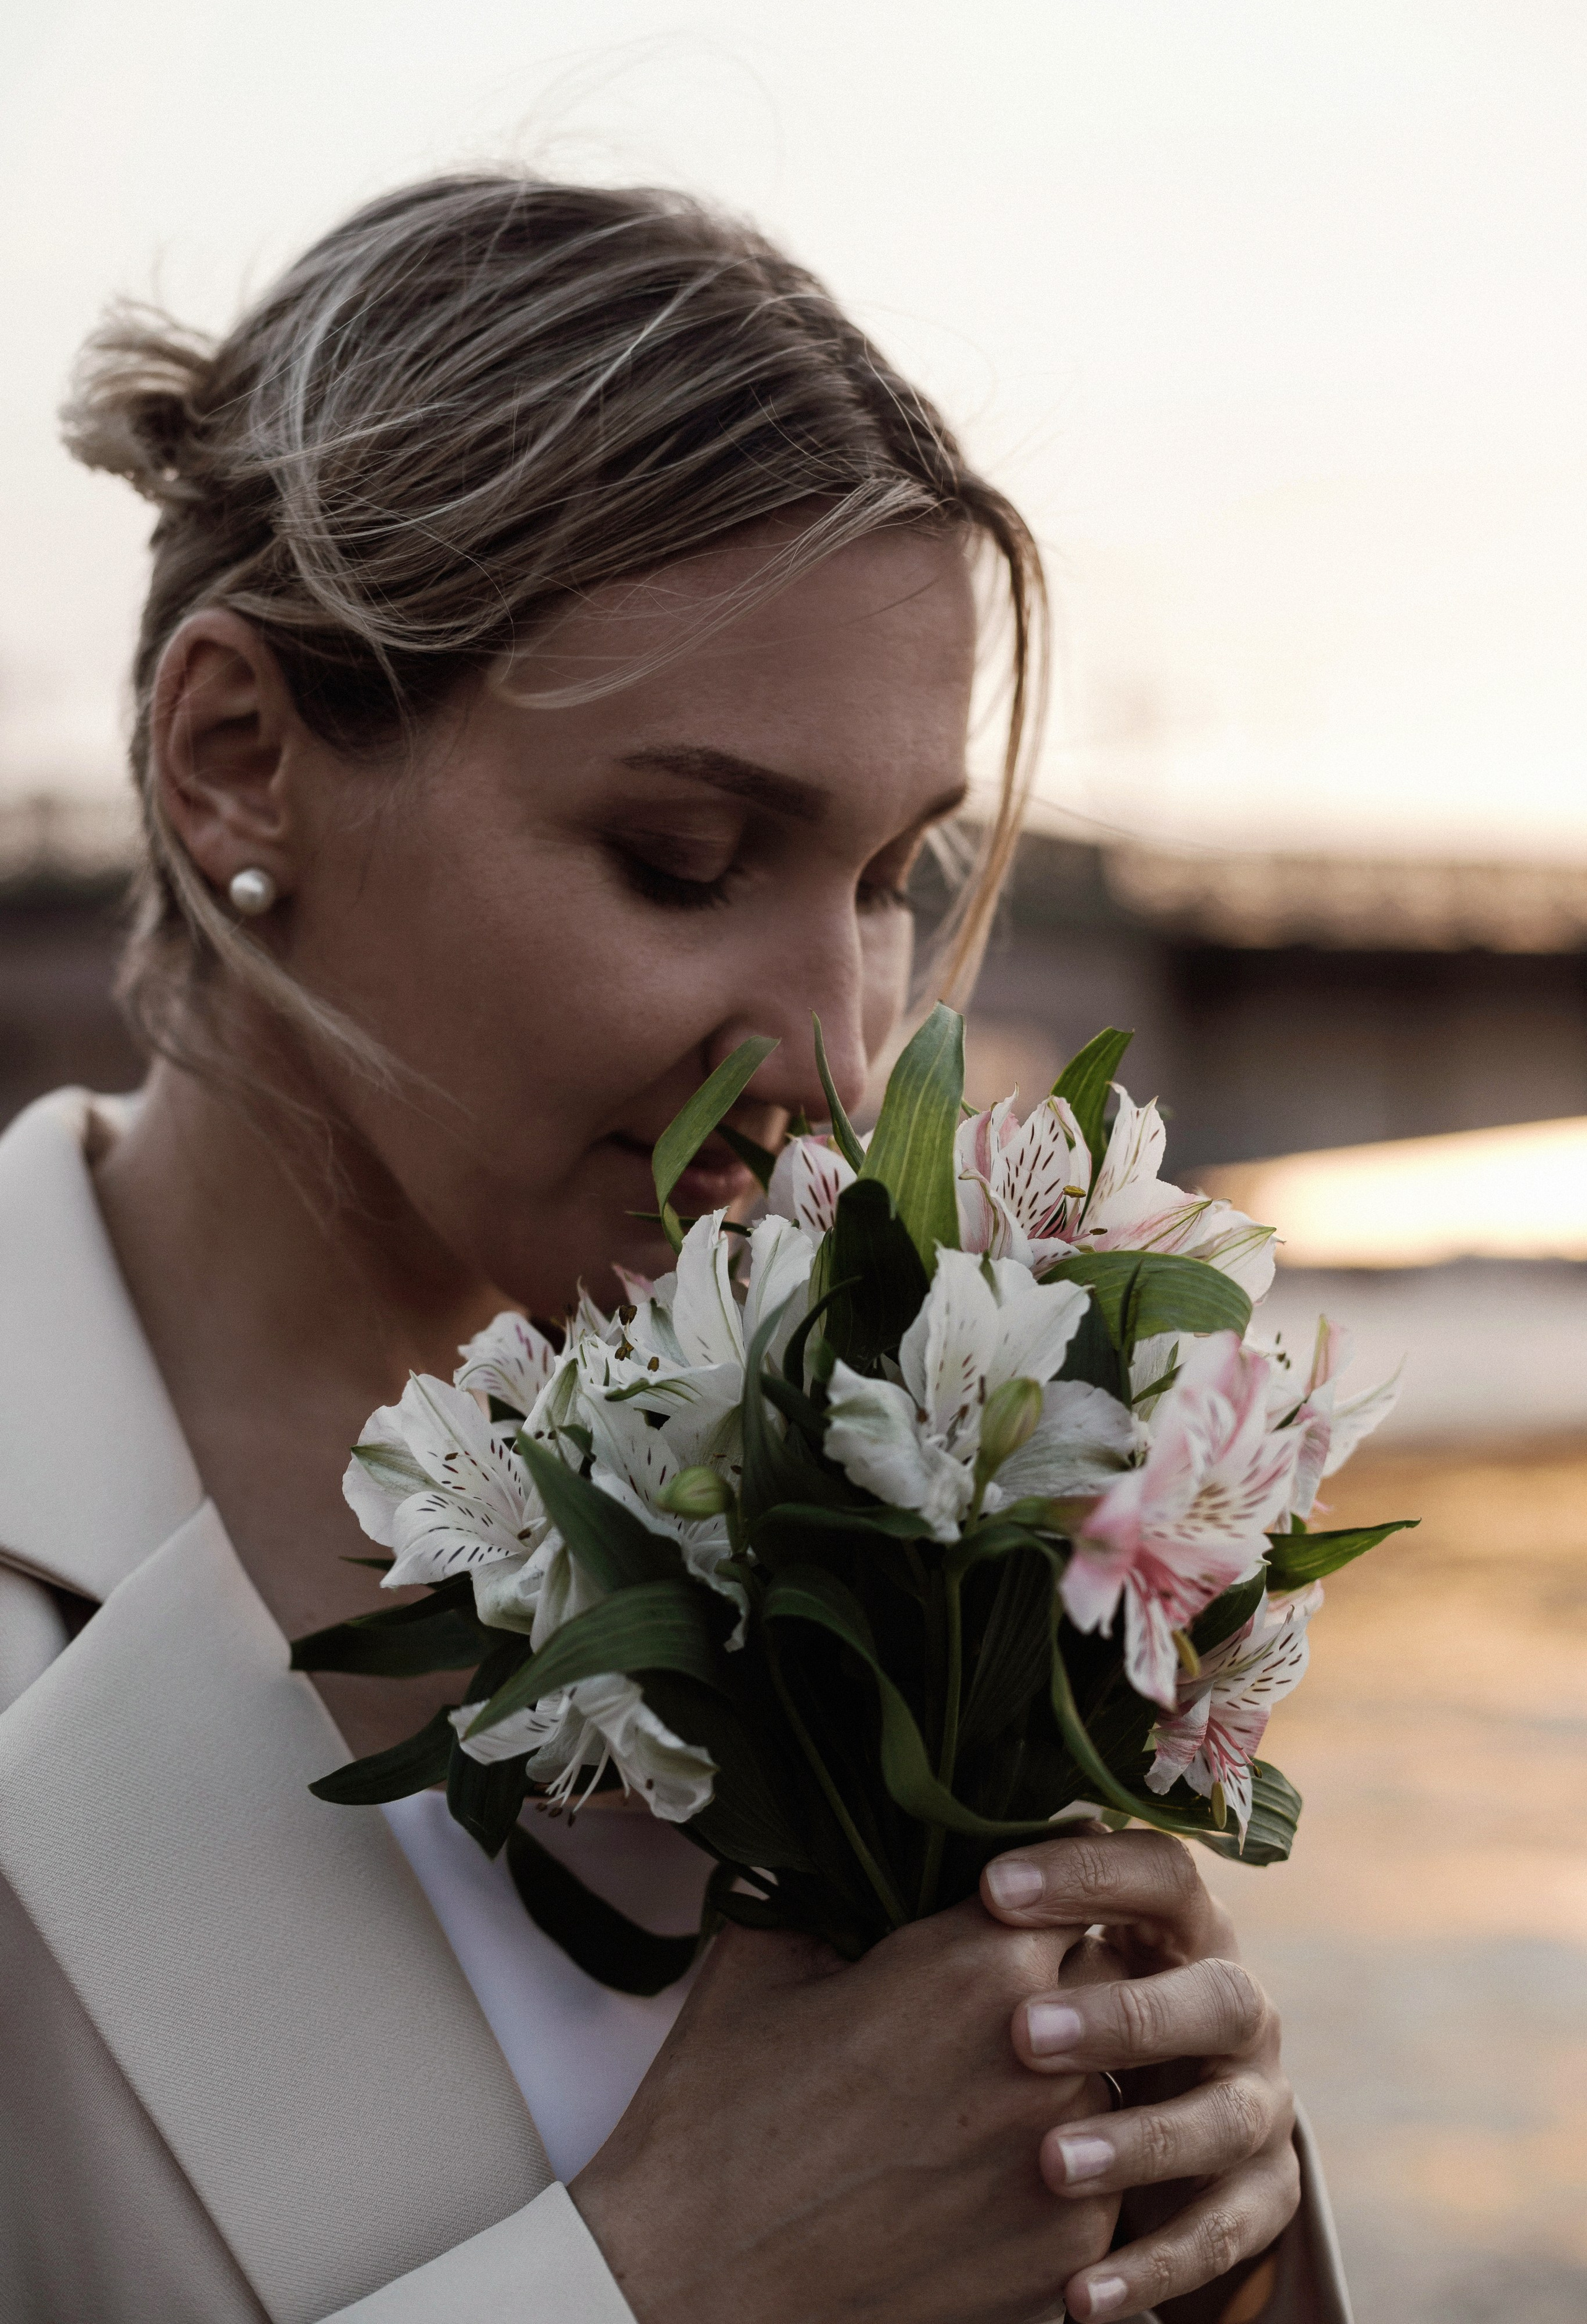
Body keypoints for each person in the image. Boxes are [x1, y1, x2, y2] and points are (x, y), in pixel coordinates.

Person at [0, 175, 1348, 2324]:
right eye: (681, 856)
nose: (839, 1045)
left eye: (897, 874)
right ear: (236, 760)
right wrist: (667, 2283)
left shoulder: (914, 1482)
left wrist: (1206, 2216)